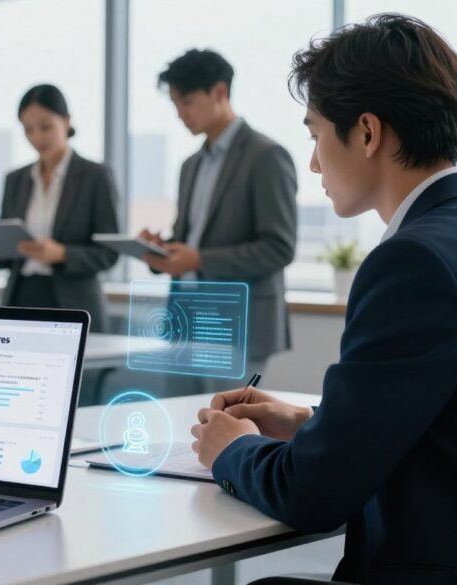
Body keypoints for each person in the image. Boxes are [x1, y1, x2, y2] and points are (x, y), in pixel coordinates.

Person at [191, 15, 457, 585]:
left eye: (314, 134)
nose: (313, 162)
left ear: (366, 132)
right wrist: (313, 423)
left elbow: (312, 494)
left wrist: (230, 449)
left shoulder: (411, 265)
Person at [140, 49, 297, 390]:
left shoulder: (267, 156)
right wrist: (161, 250)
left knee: (227, 434)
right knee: (179, 433)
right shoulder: (190, 165)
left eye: (187, 101)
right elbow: (192, 238)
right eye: (175, 103)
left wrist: (200, 259)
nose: (180, 114)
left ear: (220, 93)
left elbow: (278, 248)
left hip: (238, 323)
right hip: (186, 316)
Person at [0, 84, 120, 333]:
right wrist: (6, 246)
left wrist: (62, 253)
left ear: (66, 120)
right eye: (28, 129)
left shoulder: (96, 176)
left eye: (45, 126)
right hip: (21, 297)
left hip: (73, 301)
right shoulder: (15, 180)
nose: (37, 137)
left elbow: (109, 253)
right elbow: (0, 257)